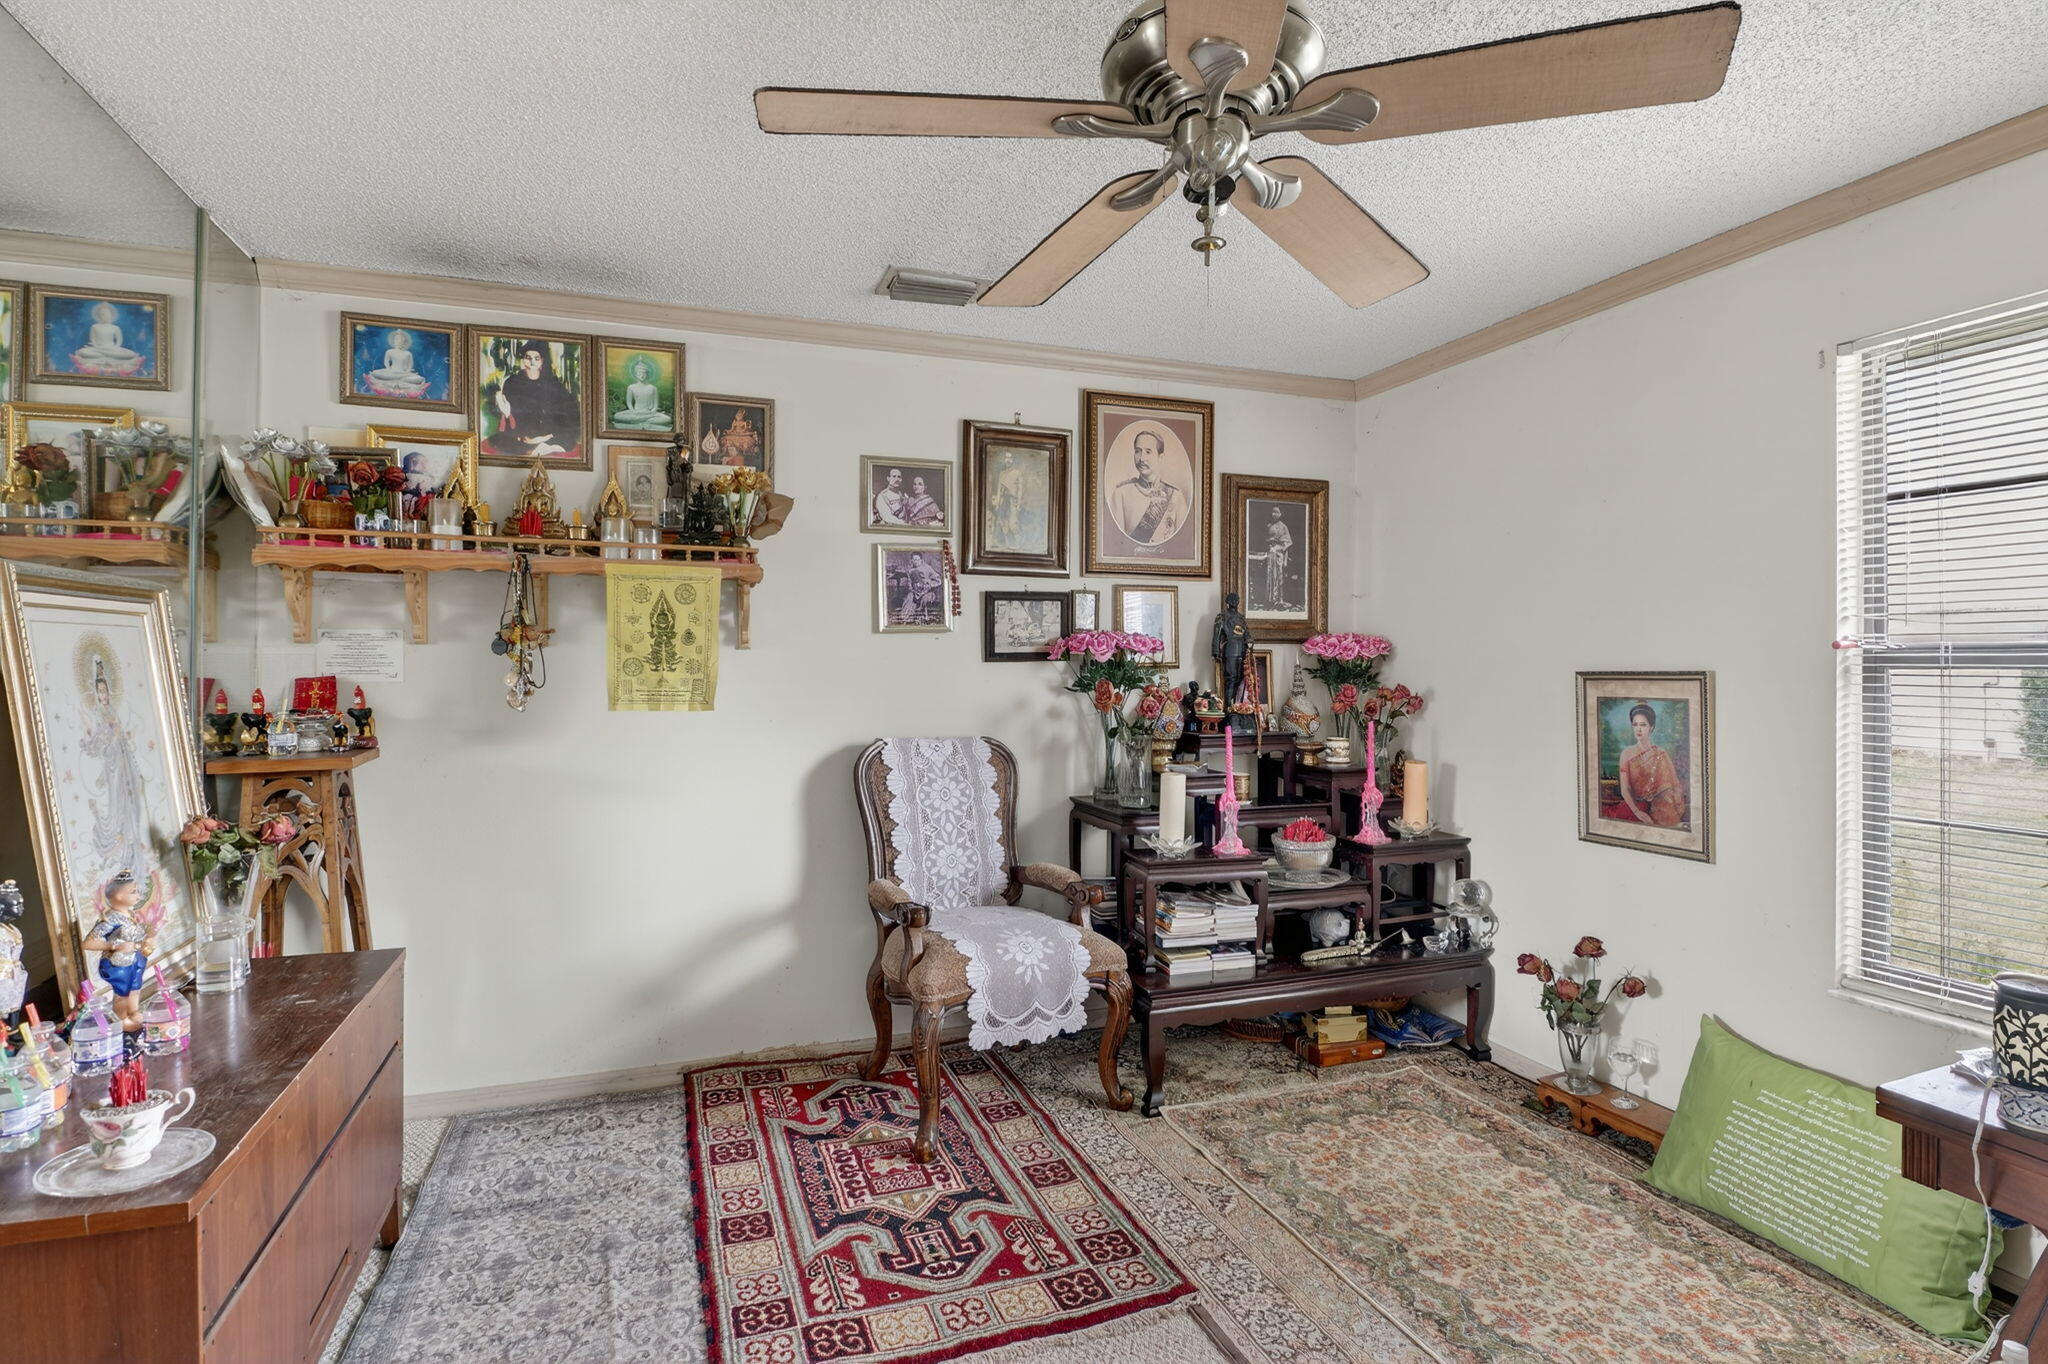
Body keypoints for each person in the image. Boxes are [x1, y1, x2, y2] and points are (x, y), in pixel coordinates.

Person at [82, 870, 159, 1032]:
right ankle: (121, 1019)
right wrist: (113, 946)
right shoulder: (110, 919)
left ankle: (133, 1011)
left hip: (135, 959)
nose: (138, 895)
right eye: (133, 892)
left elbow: (139, 933)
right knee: (122, 991)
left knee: (135, 987)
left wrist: (149, 937)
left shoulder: (130, 915)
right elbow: (88, 943)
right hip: (117, 963)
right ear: (118, 896)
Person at [488, 340, 582, 460]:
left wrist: (546, 437)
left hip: (549, 435)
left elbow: (564, 412)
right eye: (528, 357)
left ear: (542, 360)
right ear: (523, 359)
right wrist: (506, 412)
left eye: (536, 358)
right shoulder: (512, 382)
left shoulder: (553, 384)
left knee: (567, 440)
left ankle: (546, 447)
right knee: (500, 441)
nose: (532, 361)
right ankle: (532, 448)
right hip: (521, 435)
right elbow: (510, 416)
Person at [1109, 428, 1187, 546]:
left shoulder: (1176, 496)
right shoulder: (1120, 494)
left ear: (1160, 457)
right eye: (1137, 451)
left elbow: (1183, 544)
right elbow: (1117, 544)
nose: (1141, 458)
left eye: (1148, 452)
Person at [1617, 702, 1686, 826]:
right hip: (1635, 806)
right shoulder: (1626, 754)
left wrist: (1676, 800)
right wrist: (1637, 812)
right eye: (1635, 724)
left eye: (1643, 725)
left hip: (1661, 807)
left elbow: (1675, 784)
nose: (1638, 729)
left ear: (1651, 727)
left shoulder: (1661, 753)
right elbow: (1625, 789)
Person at [70, 301, 145, 376]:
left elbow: (119, 341)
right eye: (102, 314)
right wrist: (97, 347)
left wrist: (115, 348)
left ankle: (105, 355)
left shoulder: (115, 328)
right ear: (98, 316)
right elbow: (93, 340)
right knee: (82, 352)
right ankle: (106, 355)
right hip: (98, 349)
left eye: (107, 314)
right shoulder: (94, 327)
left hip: (112, 349)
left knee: (131, 354)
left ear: (111, 315)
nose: (104, 316)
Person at [364, 327, 430, 398]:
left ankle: (398, 382)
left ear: (404, 342)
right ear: (393, 341)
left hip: (404, 374)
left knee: (419, 379)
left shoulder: (407, 353)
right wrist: (389, 370)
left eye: (401, 340)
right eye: (397, 339)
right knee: (375, 374)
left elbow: (410, 366)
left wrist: (406, 372)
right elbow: (386, 363)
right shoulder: (389, 351)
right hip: (391, 372)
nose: (399, 341)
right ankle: (398, 382)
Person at [611, 355, 671, 431]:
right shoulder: (631, 387)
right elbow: (629, 403)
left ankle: (637, 421)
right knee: (617, 416)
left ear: (647, 374)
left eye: (644, 373)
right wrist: (633, 412)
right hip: (636, 413)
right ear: (635, 374)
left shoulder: (652, 388)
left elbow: (655, 405)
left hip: (649, 413)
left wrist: (651, 412)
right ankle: (645, 421)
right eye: (639, 373)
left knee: (667, 419)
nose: (642, 375)